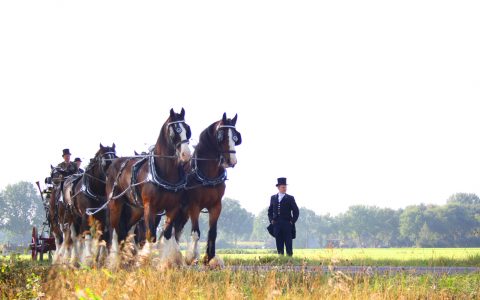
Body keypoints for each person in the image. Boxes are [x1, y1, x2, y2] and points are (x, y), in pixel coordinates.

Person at [268, 177, 299, 256]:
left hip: (287, 224)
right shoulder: (273, 198)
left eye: (285, 187)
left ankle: (290, 260)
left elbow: (296, 211)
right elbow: (270, 211)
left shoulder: (290, 198)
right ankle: (281, 259)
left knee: (288, 243)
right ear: (278, 187)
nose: (285, 188)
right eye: (283, 187)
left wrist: (292, 221)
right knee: (279, 243)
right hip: (277, 224)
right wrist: (271, 220)